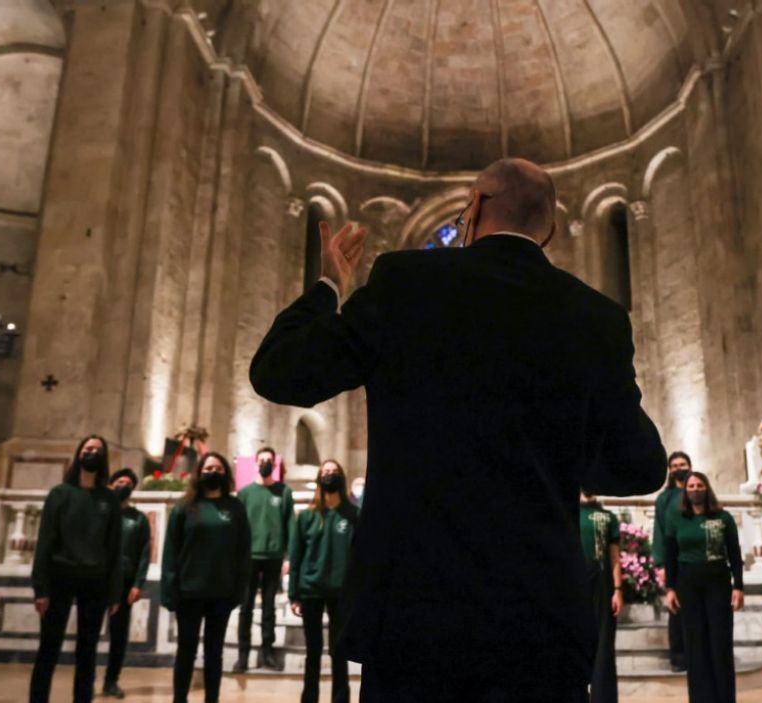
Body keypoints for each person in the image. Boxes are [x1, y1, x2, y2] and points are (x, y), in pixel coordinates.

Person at [250, 157, 666, 702]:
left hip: (413, 621)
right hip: (538, 624)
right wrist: (556, 454)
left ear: (472, 210)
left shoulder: (404, 283)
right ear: (552, 228)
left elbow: (279, 371)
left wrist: (330, 284)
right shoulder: (597, 319)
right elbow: (642, 465)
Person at [29, 435, 123, 703]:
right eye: (87, 448)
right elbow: (45, 542)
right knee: (48, 648)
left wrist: (114, 592)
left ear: (103, 458)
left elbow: (115, 549)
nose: (92, 453)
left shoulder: (109, 499)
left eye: (97, 450)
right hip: (60, 578)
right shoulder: (60, 494)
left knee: (87, 651)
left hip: (95, 582)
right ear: (79, 453)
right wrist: (41, 587)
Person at [162, 452, 251, 703]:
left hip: (221, 592)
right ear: (199, 473)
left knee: (215, 652)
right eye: (209, 468)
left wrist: (239, 590)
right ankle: (180, 699)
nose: (213, 472)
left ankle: (211, 699)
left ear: (225, 474)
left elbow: (243, 552)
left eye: (218, 469)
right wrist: (170, 588)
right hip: (189, 591)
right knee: (186, 651)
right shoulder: (184, 507)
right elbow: (171, 549)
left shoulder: (235, 508)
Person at [663, 471, 743, 703]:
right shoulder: (676, 518)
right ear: (685, 491)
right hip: (687, 583)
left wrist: (739, 586)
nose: (695, 489)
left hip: (718, 582)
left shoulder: (723, 517)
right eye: (691, 486)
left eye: (699, 485)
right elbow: (670, 555)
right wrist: (670, 589)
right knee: (695, 644)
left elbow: (735, 554)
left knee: (720, 643)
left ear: (707, 489)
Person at [289, 459, 359, 703]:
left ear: (341, 478)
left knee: (339, 651)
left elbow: (359, 557)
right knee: (313, 651)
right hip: (311, 591)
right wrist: (293, 594)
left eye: (334, 472)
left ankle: (341, 699)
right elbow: (296, 557)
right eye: (326, 472)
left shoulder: (352, 515)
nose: (330, 475)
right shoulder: (308, 516)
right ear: (320, 478)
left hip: (341, 593)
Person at [234, 446, 293, 672]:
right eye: (262, 460)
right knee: (245, 607)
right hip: (249, 556)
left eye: (269, 460)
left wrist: (288, 557)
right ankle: (243, 655)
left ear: (274, 465)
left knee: (269, 608)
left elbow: (290, 526)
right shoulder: (246, 493)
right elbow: (238, 528)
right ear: (256, 463)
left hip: (274, 557)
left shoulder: (284, 492)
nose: (265, 463)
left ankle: (268, 653)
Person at [102, 468, 153, 699]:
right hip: (98, 579)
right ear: (111, 485)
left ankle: (111, 680)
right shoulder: (101, 513)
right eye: (120, 481)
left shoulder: (138, 519)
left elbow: (144, 552)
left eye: (129, 483)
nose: (125, 485)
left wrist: (137, 583)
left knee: (119, 634)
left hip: (124, 583)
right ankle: (85, 680)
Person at [578, 489, 623, 703]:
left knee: (604, 643)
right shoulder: (570, 512)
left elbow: (614, 556)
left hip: (603, 583)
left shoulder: (608, 517)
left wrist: (618, 590)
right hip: (576, 581)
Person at [652, 451, 692, 672]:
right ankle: (678, 657)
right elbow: (658, 531)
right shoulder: (664, 499)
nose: (679, 468)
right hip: (672, 560)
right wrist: (660, 564)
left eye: (683, 464)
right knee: (676, 609)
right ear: (669, 470)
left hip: (693, 559)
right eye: (675, 465)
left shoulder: (697, 492)